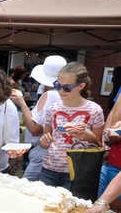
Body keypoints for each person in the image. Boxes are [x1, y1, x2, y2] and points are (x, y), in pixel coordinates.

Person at [39, 62, 105, 190]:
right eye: (58, 85)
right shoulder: (52, 109)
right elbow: (45, 140)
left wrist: (91, 138)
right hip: (49, 169)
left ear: (81, 86)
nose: (61, 91)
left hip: (77, 171)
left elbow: (100, 147)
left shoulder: (95, 110)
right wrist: (43, 141)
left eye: (67, 88)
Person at [10, 55, 67, 181]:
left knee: (27, 189)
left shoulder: (50, 95)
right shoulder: (66, 95)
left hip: (42, 150)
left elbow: (35, 129)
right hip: (56, 151)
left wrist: (22, 103)